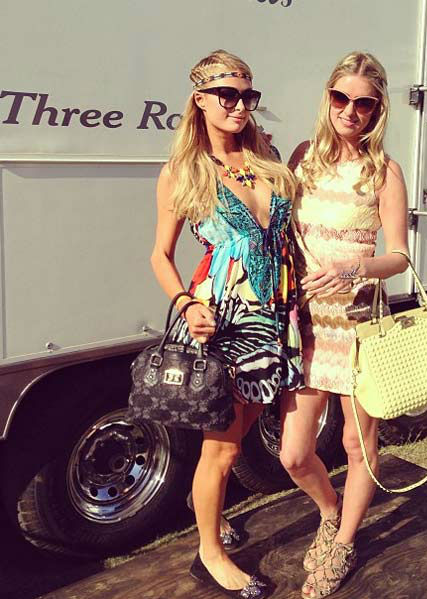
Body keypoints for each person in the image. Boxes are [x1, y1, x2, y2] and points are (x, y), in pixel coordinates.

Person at [150, 49, 303, 598]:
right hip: (225, 321)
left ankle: (207, 512)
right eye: (226, 95)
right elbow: (160, 255)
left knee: (241, 430)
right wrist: (186, 304)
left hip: (275, 315)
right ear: (200, 100)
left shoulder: (267, 160)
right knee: (225, 448)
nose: (239, 106)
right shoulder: (183, 172)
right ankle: (210, 554)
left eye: (247, 96)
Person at [279, 51, 409, 599]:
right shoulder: (303, 158)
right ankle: (330, 511)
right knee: (293, 454)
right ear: (327, 98)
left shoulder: (385, 172)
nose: (350, 111)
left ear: (377, 110)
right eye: (341, 98)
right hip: (307, 325)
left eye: (363, 103)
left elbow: (399, 256)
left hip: (358, 327)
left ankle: (344, 543)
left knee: (358, 446)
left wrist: (354, 267)